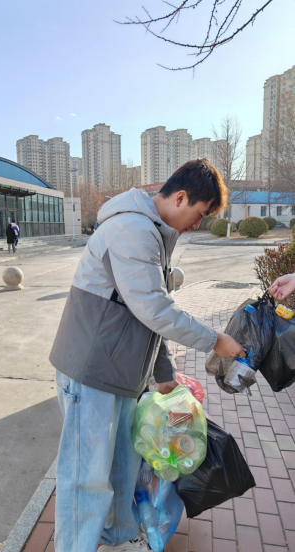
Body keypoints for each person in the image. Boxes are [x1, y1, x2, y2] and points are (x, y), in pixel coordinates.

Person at [49, 158, 246, 552]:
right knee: (85, 479)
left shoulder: (154, 232)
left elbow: (146, 315)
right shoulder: (132, 229)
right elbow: (154, 309)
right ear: (181, 197)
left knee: (122, 469)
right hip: (90, 372)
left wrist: (164, 372)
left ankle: (118, 537)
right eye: (199, 214)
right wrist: (214, 340)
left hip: (120, 375)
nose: (196, 224)